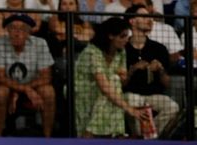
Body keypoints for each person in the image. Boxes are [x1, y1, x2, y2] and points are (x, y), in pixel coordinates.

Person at [74, 17, 148, 137]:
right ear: (110, 36)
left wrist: (129, 73)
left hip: (106, 92)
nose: (126, 40)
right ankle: (111, 134)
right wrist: (130, 110)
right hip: (82, 90)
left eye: (127, 36)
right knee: (111, 86)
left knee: (114, 84)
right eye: (122, 36)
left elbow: (122, 84)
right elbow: (104, 86)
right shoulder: (92, 52)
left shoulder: (121, 52)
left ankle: (94, 133)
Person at [0, 13, 55, 137]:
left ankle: (47, 138)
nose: (17, 33)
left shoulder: (40, 43)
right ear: (7, 30)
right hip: (6, 86)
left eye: (22, 29)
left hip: (33, 86)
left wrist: (23, 90)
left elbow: (46, 76)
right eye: (13, 28)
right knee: (1, 92)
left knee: (49, 91)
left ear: (29, 32)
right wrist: (25, 89)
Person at [123, 5, 179, 137]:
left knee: (173, 107)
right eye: (144, 16)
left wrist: (160, 70)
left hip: (154, 96)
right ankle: (142, 137)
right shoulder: (123, 48)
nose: (150, 20)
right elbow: (120, 85)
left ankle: (149, 137)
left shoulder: (159, 48)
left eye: (150, 17)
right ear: (132, 21)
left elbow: (167, 83)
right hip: (131, 95)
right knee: (132, 101)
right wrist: (132, 70)